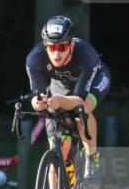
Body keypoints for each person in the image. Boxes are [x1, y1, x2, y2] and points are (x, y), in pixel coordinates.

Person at [25, 15, 110, 168]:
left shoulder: (86, 54)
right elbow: (38, 95)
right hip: (62, 85)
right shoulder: (34, 59)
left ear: (71, 45)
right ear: (45, 46)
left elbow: (79, 100)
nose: (56, 54)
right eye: (51, 47)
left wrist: (59, 101)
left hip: (95, 80)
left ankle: (92, 161)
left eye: (62, 47)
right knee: (57, 154)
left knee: (81, 112)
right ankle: (62, 183)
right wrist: (36, 103)